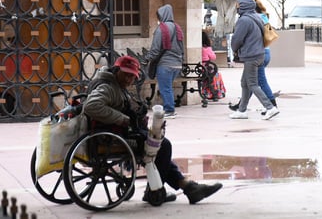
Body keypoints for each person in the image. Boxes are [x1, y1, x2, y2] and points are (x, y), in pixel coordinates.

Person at [83, 55, 223, 205]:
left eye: (132, 76)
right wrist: (123, 119)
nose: (128, 79)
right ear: (116, 70)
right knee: (162, 146)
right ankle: (156, 191)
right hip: (112, 137)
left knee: (157, 145)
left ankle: (188, 187)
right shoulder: (108, 87)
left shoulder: (115, 85)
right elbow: (91, 106)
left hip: (117, 132)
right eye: (125, 74)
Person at [229, 0, 279, 120]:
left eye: (239, 5)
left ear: (244, 5)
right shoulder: (256, 17)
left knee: (252, 84)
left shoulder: (244, 20)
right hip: (259, 54)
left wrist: (234, 49)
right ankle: (241, 110)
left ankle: (270, 107)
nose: (237, 7)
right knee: (245, 83)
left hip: (251, 55)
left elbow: (237, 39)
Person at [145, 4, 184, 119]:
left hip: (165, 64)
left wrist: (147, 58)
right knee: (168, 88)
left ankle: (169, 110)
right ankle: (169, 108)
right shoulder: (178, 28)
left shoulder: (161, 29)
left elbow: (156, 48)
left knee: (165, 88)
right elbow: (182, 47)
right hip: (177, 64)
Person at [201, 31, 226, 100]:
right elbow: (213, 57)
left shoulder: (198, 48)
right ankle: (215, 93)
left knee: (213, 75)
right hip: (206, 70)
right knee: (217, 75)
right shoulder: (207, 48)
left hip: (198, 69)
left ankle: (207, 91)